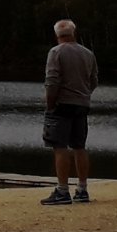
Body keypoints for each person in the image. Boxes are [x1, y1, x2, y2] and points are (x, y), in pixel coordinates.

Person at [41, 19, 97, 205]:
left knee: (60, 146)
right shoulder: (88, 53)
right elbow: (94, 80)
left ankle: (62, 191)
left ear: (57, 35)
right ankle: (82, 189)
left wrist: (50, 103)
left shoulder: (55, 52)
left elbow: (52, 80)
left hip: (61, 104)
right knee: (79, 146)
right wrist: (84, 94)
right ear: (74, 33)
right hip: (82, 104)